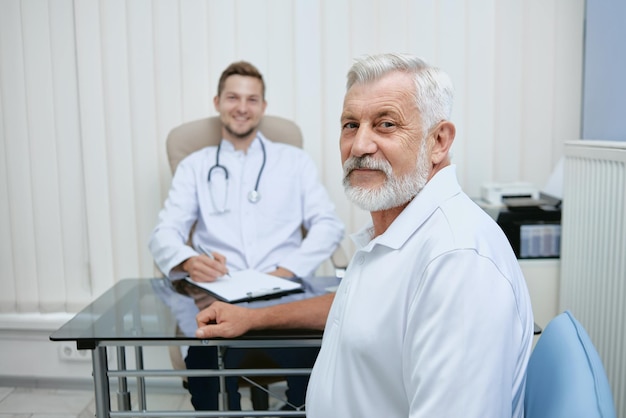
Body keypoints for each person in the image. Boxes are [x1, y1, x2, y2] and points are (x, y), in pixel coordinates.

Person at [195, 53, 534, 417]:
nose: (359, 146)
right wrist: (253, 318)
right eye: (351, 125)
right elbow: (360, 306)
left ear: (438, 141)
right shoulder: (399, 230)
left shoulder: (459, 262)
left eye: (386, 124)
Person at [148, 61, 344, 411]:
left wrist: (286, 270)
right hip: (222, 297)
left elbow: (328, 225)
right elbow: (164, 232)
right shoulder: (196, 166)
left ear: (263, 107)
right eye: (233, 97)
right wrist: (189, 260)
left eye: (252, 99)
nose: (242, 107)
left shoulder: (294, 161)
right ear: (217, 102)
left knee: (316, 376)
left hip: (286, 295)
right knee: (206, 371)